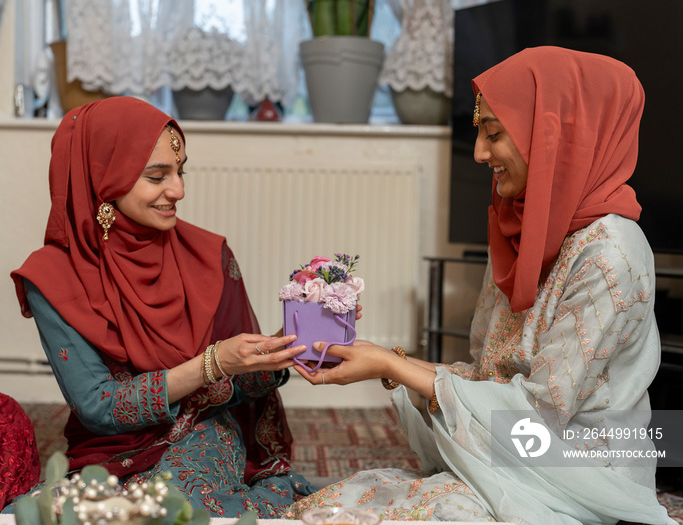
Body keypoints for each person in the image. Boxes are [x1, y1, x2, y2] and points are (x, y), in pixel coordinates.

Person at [287, 47, 675, 524]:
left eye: (493, 133)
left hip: (577, 464)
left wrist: (392, 364)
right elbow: (491, 376)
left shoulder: (612, 252)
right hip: (515, 445)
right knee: (341, 506)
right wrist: (388, 362)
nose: (479, 153)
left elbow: (538, 413)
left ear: (554, 136)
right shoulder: (520, 227)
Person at [6, 96, 316, 517]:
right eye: (157, 176)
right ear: (103, 179)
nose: (179, 190)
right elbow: (99, 407)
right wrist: (210, 364)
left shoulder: (209, 256)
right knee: (38, 516)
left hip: (204, 430)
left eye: (181, 170)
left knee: (173, 508)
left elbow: (238, 386)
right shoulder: (52, 279)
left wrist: (282, 351)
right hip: (110, 450)